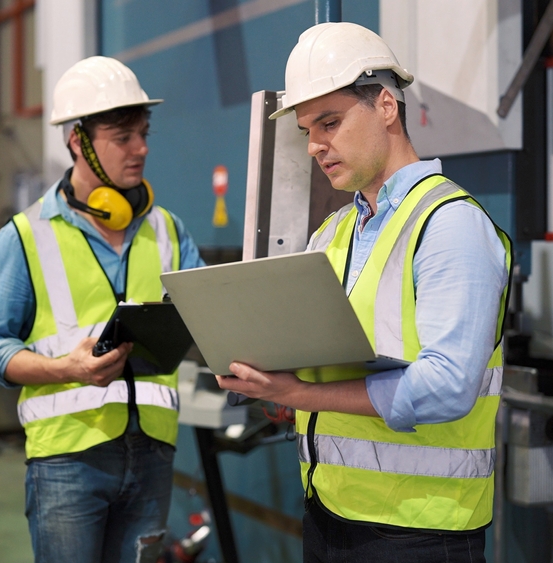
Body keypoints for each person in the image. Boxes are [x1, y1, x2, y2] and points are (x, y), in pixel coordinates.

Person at [216, 22, 512, 563]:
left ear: (385, 106)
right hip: (330, 514)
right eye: (308, 129)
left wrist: (300, 395)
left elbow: (447, 387)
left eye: (329, 122)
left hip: (420, 529)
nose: (314, 146)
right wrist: (278, 389)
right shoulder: (333, 234)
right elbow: (335, 363)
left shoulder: (450, 225)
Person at [0, 56, 204, 563]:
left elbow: (211, 316)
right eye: (123, 137)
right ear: (78, 141)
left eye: (143, 133)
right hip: (66, 461)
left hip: (153, 453)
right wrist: (65, 368)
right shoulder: (26, 237)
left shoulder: (168, 230)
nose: (140, 148)